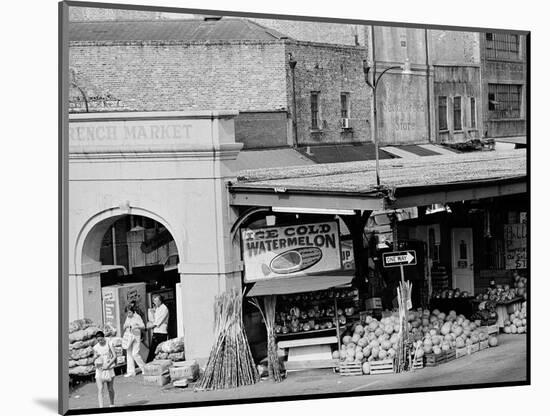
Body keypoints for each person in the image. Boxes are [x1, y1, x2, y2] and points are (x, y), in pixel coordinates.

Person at [92, 331, 117, 408]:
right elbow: (93, 360)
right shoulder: (95, 347)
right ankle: (101, 407)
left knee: (110, 389)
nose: (100, 341)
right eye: (98, 340)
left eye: (101, 339)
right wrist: (95, 357)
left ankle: (112, 404)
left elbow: (115, 356)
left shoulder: (109, 343)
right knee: (100, 389)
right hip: (99, 369)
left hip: (109, 368)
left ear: (104, 337)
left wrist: (108, 365)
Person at [122, 303, 146, 377]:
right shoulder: (128, 317)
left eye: (129, 312)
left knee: (135, 353)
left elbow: (143, 326)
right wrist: (125, 326)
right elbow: (124, 326)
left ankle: (144, 368)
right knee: (129, 353)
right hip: (129, 336)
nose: (128, 314)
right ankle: (131, 372)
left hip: (135, 336)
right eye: (127, 313)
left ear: (133, 311)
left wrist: (136, 327)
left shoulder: (137, 317)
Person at [146, 294, 169, 362]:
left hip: (161, 332)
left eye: (156, 301)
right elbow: (154, 320)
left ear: (160, 301)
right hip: (156, 331)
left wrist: (148, 327)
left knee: (155, 350)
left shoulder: (164, 308)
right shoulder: (157, 308)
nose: (154, 302)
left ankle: (148, 363)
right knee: (154, 350)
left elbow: (157, 322)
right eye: (154, 301)